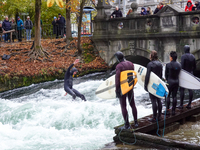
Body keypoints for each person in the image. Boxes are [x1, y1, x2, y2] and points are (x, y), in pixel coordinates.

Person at [115, 51, 138, 129]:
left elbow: (117, 79)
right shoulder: (131, 64)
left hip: (123, 88)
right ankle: (136, 122)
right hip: (130, 86)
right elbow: (133, 74)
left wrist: (116, 90)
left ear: (118, 58)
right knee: (132, 104)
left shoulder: (119, 66)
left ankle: (127, 125)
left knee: (123, 106)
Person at [145, 50, 163, 122]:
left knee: (153, 101)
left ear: (151, 56)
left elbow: (147, 76)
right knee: (159, 100)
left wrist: (145, 85)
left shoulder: (150, 64)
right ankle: (159, 116)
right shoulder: (160, 64)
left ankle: (154, 117)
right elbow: (161, 75)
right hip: (158, 83)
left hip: (152, 84)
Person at [165, 51, 181, 116]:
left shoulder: (168, 65)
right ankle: (173, 110)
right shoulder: (179, 65)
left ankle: (168, 110)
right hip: (176, 81)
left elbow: (165, 75)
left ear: (171, 57)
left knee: (168, 96)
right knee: (174, 96)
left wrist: (167, 79)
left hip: (170, 81)